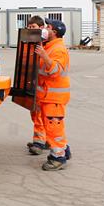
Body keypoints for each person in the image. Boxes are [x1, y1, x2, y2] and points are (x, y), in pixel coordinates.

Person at [35, 18, 72, 170]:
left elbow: (56, 71)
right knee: (52, 126)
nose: (44, 29)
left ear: (54, 32)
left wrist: (44, 56)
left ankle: (58, 158)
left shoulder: (58, 49)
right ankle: (64, 149)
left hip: (54, 98)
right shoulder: (49, 46)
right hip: (47, 96)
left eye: (48, 27)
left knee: (54, 128)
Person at [25, 15, 49, 155]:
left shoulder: (45, 42)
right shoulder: (32, 42)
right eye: (29, 27)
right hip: (35, 85)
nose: (30, 30)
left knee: (39, 115)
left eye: (33, 27)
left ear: (41, 28)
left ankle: (39, 143)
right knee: (35, 114)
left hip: (43, 88)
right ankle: (44, 140)